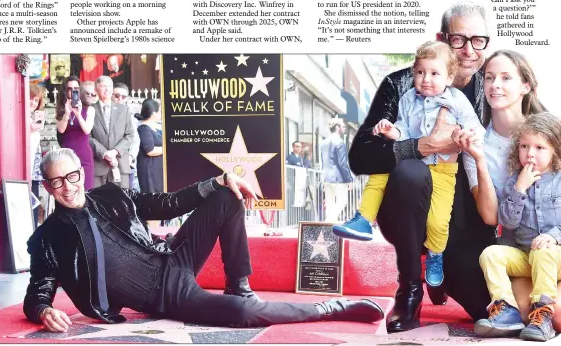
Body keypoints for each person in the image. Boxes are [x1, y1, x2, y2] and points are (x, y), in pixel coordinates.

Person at [23, 148, 385, 331]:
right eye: (56, 182)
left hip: (172, 255)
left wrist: (218, 179)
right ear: (47, 186)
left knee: (227, 195)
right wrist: (43, 310)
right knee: (243, 316)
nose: (67, 187)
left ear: (81, 173)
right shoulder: (47, 240)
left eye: (71, 177)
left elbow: (166, 204)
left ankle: (238, 284)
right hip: (164, 294)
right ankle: (331, 308)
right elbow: (36, 293)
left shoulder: (113, 194)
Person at [348, 2, 490, 331]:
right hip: (407, 200)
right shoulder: (401, 85)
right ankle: (410, 289)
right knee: (410, 171)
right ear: (443, 38)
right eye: (458, 39)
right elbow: (361, 156)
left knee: (486, 307)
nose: (468, 50)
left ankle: (440, 279)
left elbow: (538, 132)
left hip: (463, 216)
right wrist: (420, 145)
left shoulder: (492, 85)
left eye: (478, 40)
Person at [453, 50, 561, 334]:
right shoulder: (479, 142)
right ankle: (515, 309)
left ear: (526, 86)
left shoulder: (550, 131)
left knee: (560, 317)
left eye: (506, 78)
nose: (495, 85)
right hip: (523, 249)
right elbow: (492, 217)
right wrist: (481, 160)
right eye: (489, 78)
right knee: (524, 314)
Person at [333, 41, 485, 290]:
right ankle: (363, 219)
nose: (426, 79)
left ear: (449, 77)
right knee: (379, 175)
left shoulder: (456, 100)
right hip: (413, 163)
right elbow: (404, 129)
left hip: (443, 170)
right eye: (420, 72)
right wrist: (392, 131)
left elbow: (475, 126)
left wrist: (465, 136)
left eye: (434, 73)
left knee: (438, 221)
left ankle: (436, 255)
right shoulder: (407, 99)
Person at [474, 113, 561, 341]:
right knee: (490, 254)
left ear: (555, 149)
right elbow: (507, 221)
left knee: (544, 250)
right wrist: (519, 189)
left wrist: (554, 237)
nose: (530, 153)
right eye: (524, 146)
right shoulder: (515, 180)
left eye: (539, 147)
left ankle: (543, 316)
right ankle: (506, 311)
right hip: (527, 256)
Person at [89, 76, 134, 189]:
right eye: (103, 86)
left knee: (122, 201)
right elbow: (88, 137)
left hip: (120, 164)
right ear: (96, 90)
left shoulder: (123, 109)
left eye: (110, 86)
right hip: (98, 165)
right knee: (98, 200)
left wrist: (114, 151)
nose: (107, 89)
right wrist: (104, 153)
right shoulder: (90, 110)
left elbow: (129, 135)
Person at [56, 75, 95, 190]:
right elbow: (61, 129)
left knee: (86, 189)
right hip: (67, 154)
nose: (73, 91)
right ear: (65, 91)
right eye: (69, 88)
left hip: (83, 153)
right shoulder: (61, 109)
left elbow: (87, 130)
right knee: (68, 188)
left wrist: (78, 114)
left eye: (76, 89)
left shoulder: (89, 109)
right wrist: (67, 114)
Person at [135, 99, 164, 229]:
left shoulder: (156, 128)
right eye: (159, 112)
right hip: (149, 170)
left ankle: (156, 230)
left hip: (157, 170)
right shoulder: (144, 128)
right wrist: (167, 149)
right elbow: (150, 149)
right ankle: (152, 232)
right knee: (153, 203)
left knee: (159, 202)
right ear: (153, 113)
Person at [320, 118, 353, 222]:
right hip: (338, 178)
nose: (344, 128)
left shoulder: (323, 142)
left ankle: (329, 228)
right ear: (337, 127)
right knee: (342, 201)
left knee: (329, 204)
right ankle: (329, 221)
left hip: (326, 178)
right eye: (342, 126)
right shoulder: (340, 142)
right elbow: (343, 164)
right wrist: (349, 179)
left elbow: (323, 162)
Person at [28, 84, 46, 228]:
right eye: (30, 99)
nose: (33, 103)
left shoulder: (33, 118)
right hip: (23, 169)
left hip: (33, 171)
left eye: (36, 100)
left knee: (34, 202)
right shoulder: (20, 118)